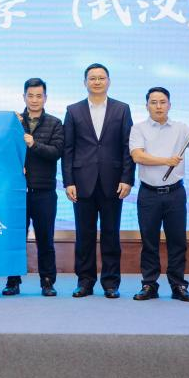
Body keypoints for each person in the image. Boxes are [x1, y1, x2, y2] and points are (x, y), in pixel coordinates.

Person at [129, 87, 189, 302]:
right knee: (149, 241)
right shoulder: (138, 129)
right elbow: (138, 156)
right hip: (148, 194)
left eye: (162, 102)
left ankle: (178, 285)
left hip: (175, 193)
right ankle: (149, 284)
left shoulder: (181, 128)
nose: (158, 106)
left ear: (169, 105)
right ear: (146, 105)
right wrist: (166, 160)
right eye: (153, 102)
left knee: (177, 241)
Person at [62, 63, 135, 298]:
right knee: (84, 235)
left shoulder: (122, 109)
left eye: (101, 78)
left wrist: (127, 178)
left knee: (111, 234)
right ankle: (85, 282)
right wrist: (68, 181)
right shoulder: (73, 110)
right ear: (85, 82)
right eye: (92, 78)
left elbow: (128, 146)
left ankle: (111, 283)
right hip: (81, 182)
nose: (97, 82)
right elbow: (68, 149)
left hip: (113, 182)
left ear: (108, 81)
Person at [2, 78, 63, 297]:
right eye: (30, 95)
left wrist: (34, 144)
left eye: (39, 96)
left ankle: (47, 282)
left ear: (45, 98)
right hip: (17, 193)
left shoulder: (55, 123)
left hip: (44, 191)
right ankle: (12, 281)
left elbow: (56, 152)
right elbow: (4, 152)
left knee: (45, 239)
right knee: (15, 238)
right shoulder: (14, 122)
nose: (34, 100)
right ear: (24, 97)